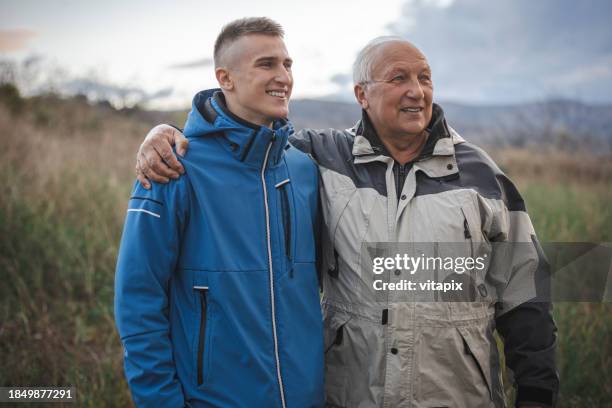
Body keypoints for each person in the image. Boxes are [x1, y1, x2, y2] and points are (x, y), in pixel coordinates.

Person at [135, 36, 558, 407]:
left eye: (425, 78)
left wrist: (537, 391)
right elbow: (245, 142)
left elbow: (525, 288)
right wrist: (169, 132)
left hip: (459, 395)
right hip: (351, 396)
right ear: (361, 93)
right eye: (399, 79)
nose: (416, 91)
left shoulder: (481, 173)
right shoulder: (321, 158)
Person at [114, 17, 324, 408]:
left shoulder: (304, 168)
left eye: (287, 64)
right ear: (225, 78)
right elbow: (138, 302)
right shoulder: (173, 168)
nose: (283, 77)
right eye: (266, 64)